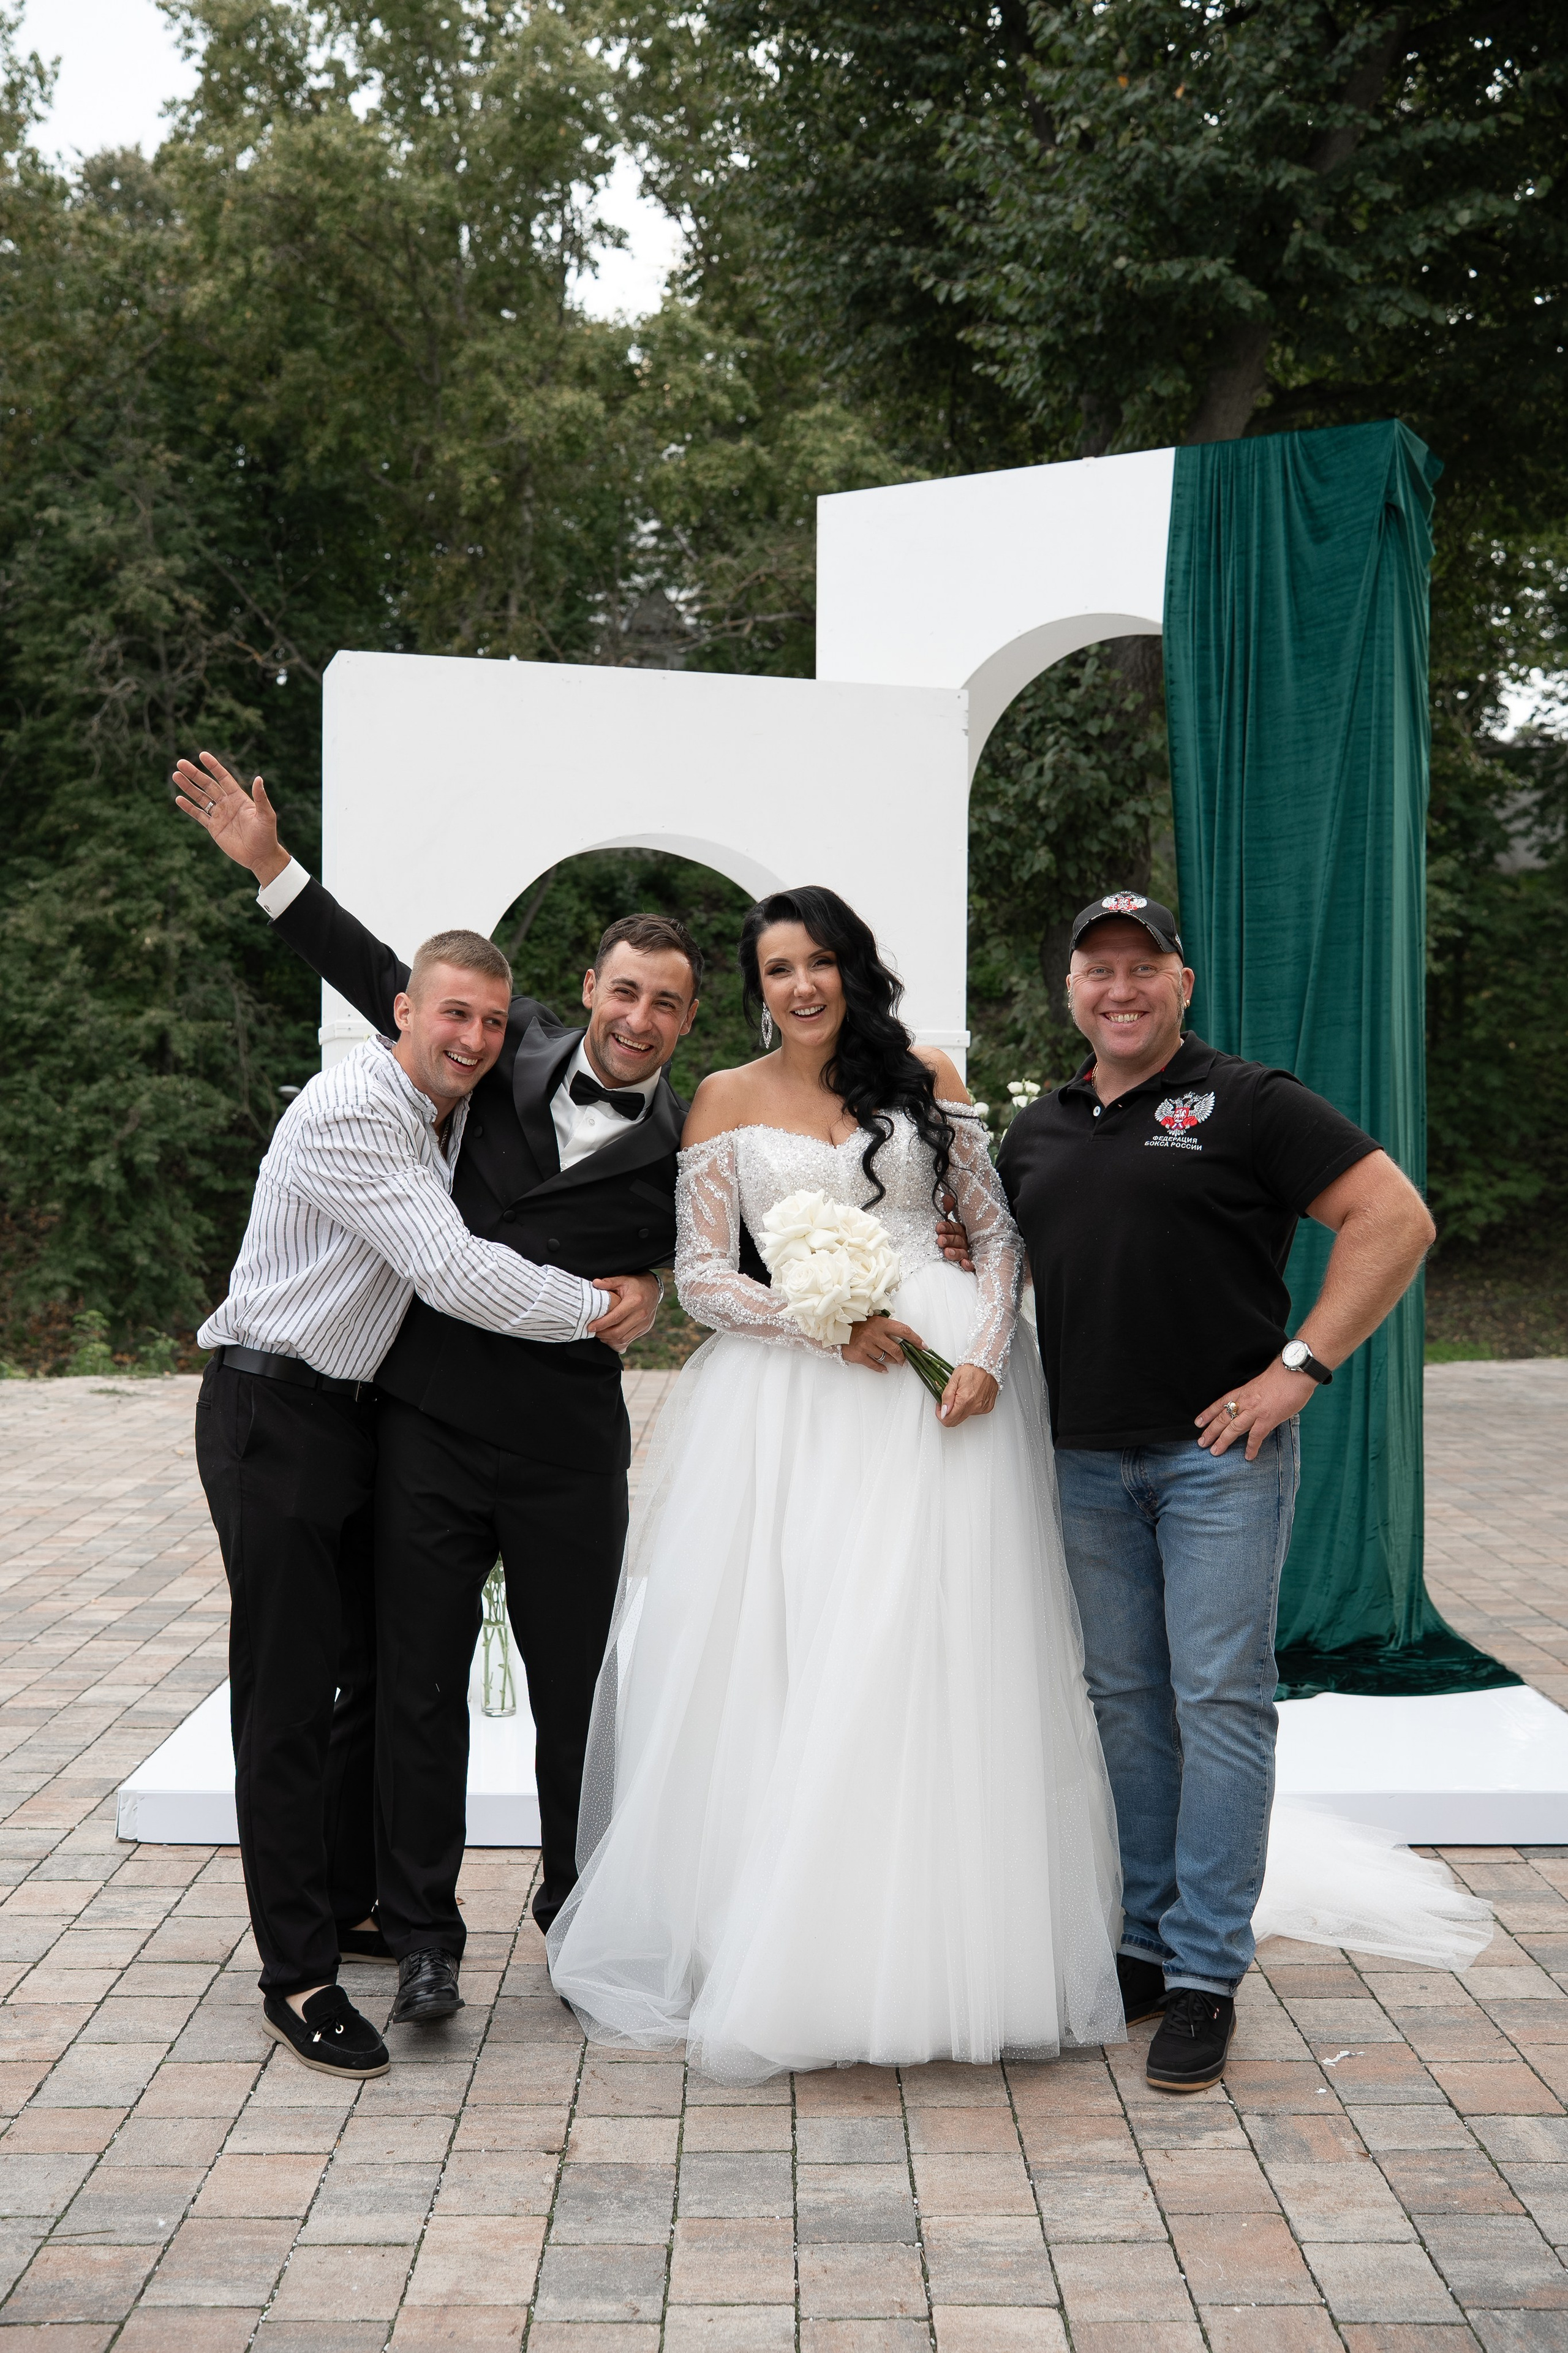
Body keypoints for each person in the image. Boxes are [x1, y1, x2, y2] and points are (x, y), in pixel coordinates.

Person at [548, 886, 1125, 2082]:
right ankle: (783, 1938)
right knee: (795, 1649)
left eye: (817, 962)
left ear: (848, 967)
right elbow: (702, 1277)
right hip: (795, 1400)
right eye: (775, 969)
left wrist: (976, 1351)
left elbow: (996, 1231)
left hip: (939, 1401)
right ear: (753, 988)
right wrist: (816, 1320)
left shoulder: (923, 1070)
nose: (800, 986)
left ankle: (942, 1943)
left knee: (927, 1649)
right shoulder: (722, 1098)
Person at [175, 753, 703, 2028]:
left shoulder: (689, 1136)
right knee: (394, 1690)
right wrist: (270, 868)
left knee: (558, 1693)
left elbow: (746, 1234)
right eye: (622, 990)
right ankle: (394, 1939)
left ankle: (574, 1914)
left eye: (668, 1003)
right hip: (408, 1428)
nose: (637, 1016)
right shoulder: (471, 1050)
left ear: (688, 1022)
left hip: (551, 1446)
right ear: (584, 992)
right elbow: (382, 974)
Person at [996, 891, 1441, 2094]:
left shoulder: (1246, 1100)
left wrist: (1296, 1368)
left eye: (1142, 967)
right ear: (1072, 991)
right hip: (1083, 1459)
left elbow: (1391, 1217)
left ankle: (1202, 1972)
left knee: (1218, 1701)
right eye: (1097, 970)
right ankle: (1142, 1944)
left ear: (1181, 983)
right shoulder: (1033, 1130)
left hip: (1215, 1460)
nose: (1119, 988)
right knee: (1128, 1705)